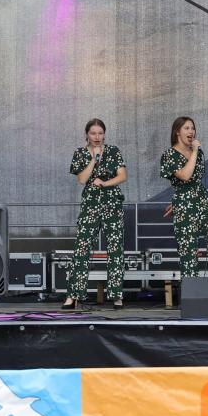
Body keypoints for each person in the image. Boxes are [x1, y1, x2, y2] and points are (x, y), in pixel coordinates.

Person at [159, 117, 208, 279]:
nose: (191, 132)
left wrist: (195, 152)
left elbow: (196, 179)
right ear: (177, 132)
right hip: (183, 204)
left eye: (193, 128)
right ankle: (191, 289)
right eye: (187, 128)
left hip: (202, 199)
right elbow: (185, 176)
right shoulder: (169, 154)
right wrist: (194, 151)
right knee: (188, 251)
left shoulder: (199, 153)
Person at [63, 119, 127, 309]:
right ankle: (73, 295)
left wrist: (104, 183)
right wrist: (94, 159)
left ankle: (116, 295)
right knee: (82, 247)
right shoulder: (80, 153)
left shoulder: (113, 151)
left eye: (100, 133)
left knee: (115, 249)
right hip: (91, 204)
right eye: (93, 133)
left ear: (104, 134)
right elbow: (82, 179)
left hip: (112, 203)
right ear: (87, 135)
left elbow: (122, 176)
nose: (97, 137)